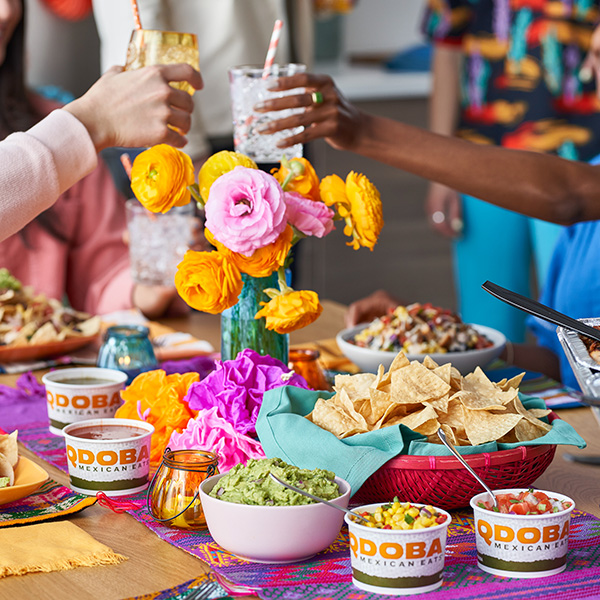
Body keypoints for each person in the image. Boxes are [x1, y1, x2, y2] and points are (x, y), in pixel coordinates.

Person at [255, 65, 600, 385]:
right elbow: (566, 363)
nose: (589, 68)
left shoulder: (581, 194)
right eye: (595, 53)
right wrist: (435, 331)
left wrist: (363, 132)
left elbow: (566, 196)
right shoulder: (581, 232)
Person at [0, 0, 203, 319]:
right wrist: (90, 123)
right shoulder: (66, 130)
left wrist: (148, 284)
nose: (7, 11)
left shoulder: (46, 119)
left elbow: (102, 277)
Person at [421, 0, 600, 344]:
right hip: (482, 162)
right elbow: (446, 52)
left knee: (578, 325)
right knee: (487, 325)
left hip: (580, 162)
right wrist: (442, 174)